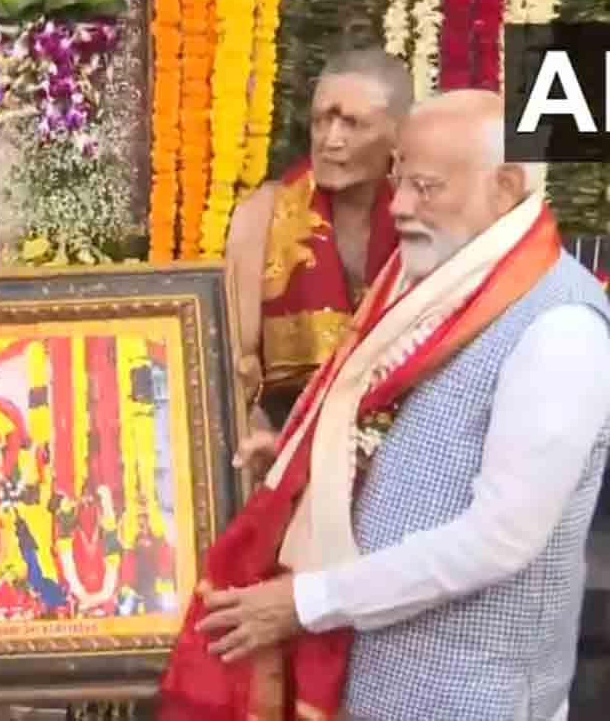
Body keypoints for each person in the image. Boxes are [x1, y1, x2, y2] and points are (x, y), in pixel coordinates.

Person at [158, 90, 610, 720]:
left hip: (470, 697)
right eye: (400, 177)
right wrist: (303, 466)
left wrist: (305, 602)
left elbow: (498, 541)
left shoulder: (560, 326)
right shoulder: (439, 273)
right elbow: (389, 422)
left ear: (504, 186)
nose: (397, 206)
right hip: (367, 678)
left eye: (425, 187)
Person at [225, 47, 410, 438]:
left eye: (352, 124)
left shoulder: (422, 218)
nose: (330, 139)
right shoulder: (262, 214)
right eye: (321, 121)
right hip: (283, 440)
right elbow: (235, 362)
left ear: (400, 134)